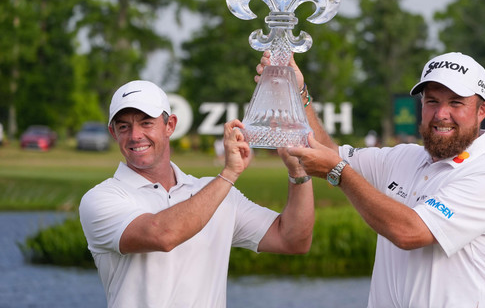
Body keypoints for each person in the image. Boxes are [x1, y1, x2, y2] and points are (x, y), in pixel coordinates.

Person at [256, 51, 485, 307]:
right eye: (432, 101)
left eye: (456, 102)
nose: (442, 114)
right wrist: (297, 93)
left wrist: (338, 171)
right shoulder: (403, 157)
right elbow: (325, 151)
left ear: (483, 111)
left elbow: (410, 232)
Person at [79, 80, 314, 308]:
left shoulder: (217, 193)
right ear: (113, 132)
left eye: (146, 123)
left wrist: (299, 172)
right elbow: (163, 235)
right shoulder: (101, 198)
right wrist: (229, 174)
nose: (135, 135)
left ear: (170, 125)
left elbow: (293, 240)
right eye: (123, 126)